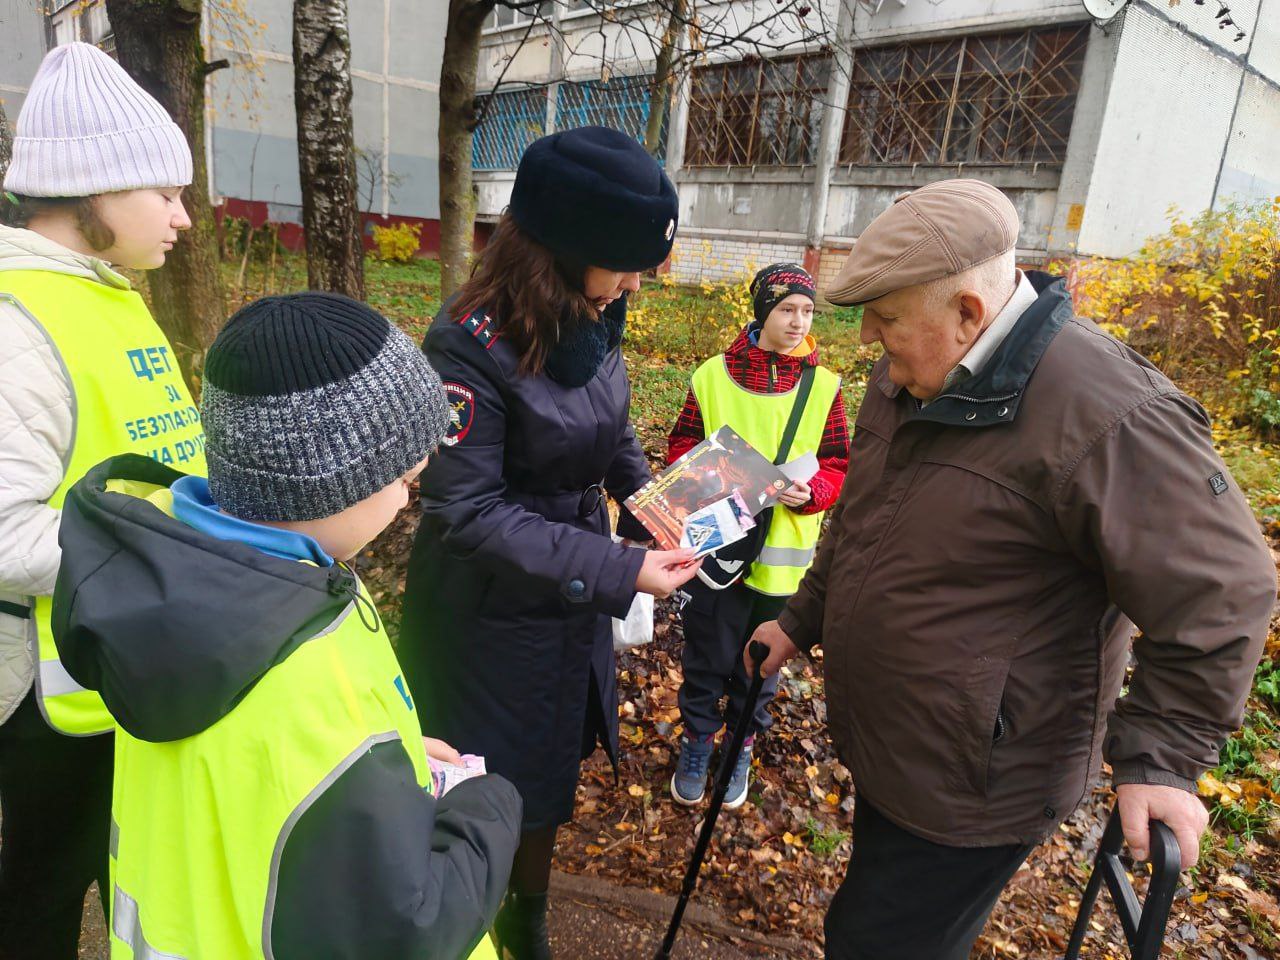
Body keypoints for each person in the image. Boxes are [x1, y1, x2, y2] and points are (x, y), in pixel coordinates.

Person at [747, 179, 1277, 960]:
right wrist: (802, 617)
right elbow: (865, 519)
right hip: (899, 745)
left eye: (887, 318)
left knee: (875, 942)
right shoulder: (908, 377)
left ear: (968, 311)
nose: (869, 340)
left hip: (976, 775)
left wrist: (1163, 757)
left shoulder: (1108, 413)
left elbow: (1223, 588)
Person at [51, 293, 523, 960]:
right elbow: (404, 934)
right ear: (327, 487)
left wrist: (393, 767)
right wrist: (487, 806)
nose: (408, 497)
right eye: (404, 480)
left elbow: (263, 790)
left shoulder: (182, 584)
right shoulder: (297, 678)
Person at [398, 126, 701, 959]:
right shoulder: (468, 340)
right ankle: (475, 924)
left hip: (568, 588)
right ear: (563, 247)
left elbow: (608, 437)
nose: (637, 282)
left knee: (548, 777)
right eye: (628, 262)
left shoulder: (595, 309)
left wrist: (669, 508)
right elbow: (466, 511)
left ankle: (525, 916)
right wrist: (622, 565)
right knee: (494, 784)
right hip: (490, 615)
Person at [0, 42, 203, 958]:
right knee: (37, 899)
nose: (184, 218)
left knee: (108, 870)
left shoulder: (111, 297)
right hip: (38, 696)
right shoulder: (16, 323)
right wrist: (164, 541)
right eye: (163, 192)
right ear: (95, 189)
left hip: (109, 658)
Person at [666, 263, 849, 809]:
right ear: (762, 311)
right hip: (718, 549)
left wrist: (812, 490)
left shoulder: (825, 387)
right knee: (705, 653)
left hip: (782, 560)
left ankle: (740, 744)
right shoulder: (711, 376)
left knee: (760, 660)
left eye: (807, 311)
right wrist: (721, 478)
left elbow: (839, 464)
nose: (798, 322)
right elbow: (680, 450)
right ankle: (698, 743)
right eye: (787, 309)